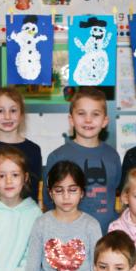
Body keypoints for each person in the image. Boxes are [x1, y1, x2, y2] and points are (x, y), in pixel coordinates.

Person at [22, 162, 103, 271]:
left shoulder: (91, 225)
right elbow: (32, 266)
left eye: (72, 190)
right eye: (59, 190)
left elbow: (98, 267)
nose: (66, 196)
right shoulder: (41, 223)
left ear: (82, 192)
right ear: (50, 193)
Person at [43, 88, 122, 233]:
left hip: (106, 238)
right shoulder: (57, 157)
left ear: (105, 121)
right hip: (69, 237)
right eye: (81, 113)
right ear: (71, 119)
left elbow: (115, 188)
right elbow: (49, 200)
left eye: (95, 114)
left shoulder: (112, 156)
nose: (88, 120)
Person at [0, 87, 43, 205]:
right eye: (0, 111)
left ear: (21, 115)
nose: (7, 117)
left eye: (13, 110)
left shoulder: (33, 150)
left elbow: (33, 192)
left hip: (24, 213)